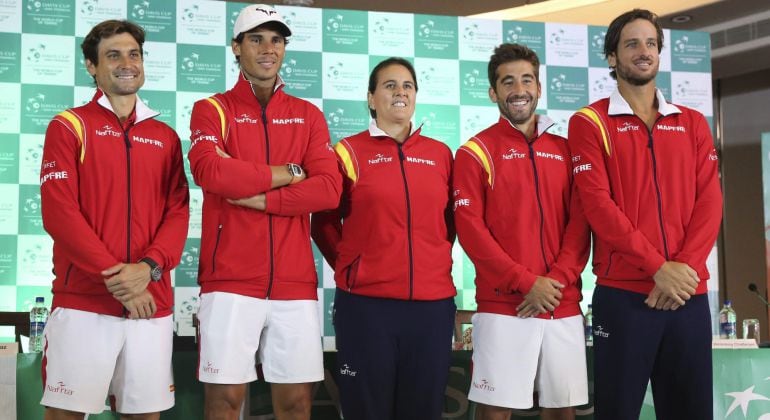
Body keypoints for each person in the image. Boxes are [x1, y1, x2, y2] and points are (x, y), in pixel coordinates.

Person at [187, 4, 341, 419]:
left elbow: (327, 189)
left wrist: (264, 198)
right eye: (256, 39)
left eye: (276, 40)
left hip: (294, 284)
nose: (268, 48)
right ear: (236, 48)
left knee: (296, 403)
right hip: (230, 280)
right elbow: (210, 170)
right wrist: (290, 173)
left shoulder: (307, 115)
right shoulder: (213, 108)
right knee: (225, 401)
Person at [568, 9, 723, 420]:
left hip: (686, 295)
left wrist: (682, 271)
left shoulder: (691, 122)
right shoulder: (589, 122)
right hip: (624, 296)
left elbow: (710, 202)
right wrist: (657, 267)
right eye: (632, 44)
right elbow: (599, 207)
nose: (643, 51)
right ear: (612, 57)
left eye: (651, 43)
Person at [39, 19, 190, 419]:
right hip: (85, 303)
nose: (127, 63)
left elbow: (178, 213)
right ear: (91, 66)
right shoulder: (69, 126)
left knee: (144, 416)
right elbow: (60, 213)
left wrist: (148, 269)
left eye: (134, 54)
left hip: (150, 304)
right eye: (113, 55)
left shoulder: (165, 136)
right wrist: (119, 278)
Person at [311, 57, 457, 420]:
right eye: (390, 85)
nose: (400, 92)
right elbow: (324, 223)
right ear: (371, 99)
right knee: (367, 411)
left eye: (407, 85)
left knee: (423, 411)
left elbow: (449, 223)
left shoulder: (441, 154)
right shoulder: (347, 151)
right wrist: (355, 267)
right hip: (366, 307)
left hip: (432, 307)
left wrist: (430, 262)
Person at [453, 43, 590, 420]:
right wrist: (524, 282)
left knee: (562, 412)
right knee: (495, 412)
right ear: (493, 92)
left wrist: (554, 284)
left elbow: (580, 224)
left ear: (539, 88)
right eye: (508, 81)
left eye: (527, 79)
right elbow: (471, 231)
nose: (519, 89)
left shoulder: (566, 149)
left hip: (561, 304)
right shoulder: (475, 152)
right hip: (504, 305)